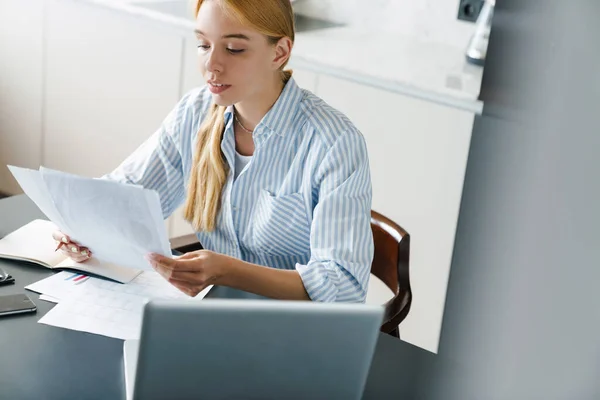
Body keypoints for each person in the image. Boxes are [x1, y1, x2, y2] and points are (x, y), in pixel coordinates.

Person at [52, 0, 374, 302]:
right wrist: (78, 223)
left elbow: (343, 284)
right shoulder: (195, 112)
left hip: (296, 333)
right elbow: (128, 195)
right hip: (214, 313)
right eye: (204, 45)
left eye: (234, 49)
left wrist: (228, 272)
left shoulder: (333, 143)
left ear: (279, 53)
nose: (212, 65)